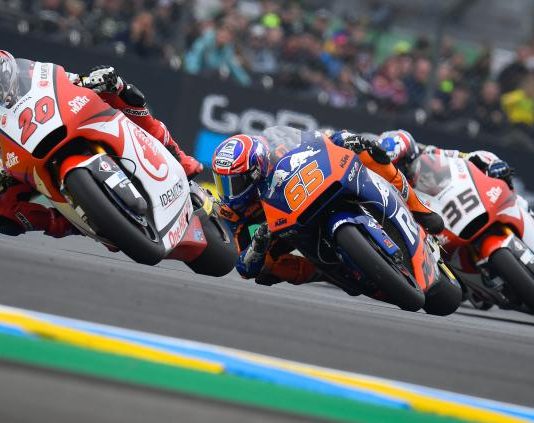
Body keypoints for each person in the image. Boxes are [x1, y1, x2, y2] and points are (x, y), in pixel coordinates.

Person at [0, 50, 202, 238]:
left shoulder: (31, 73)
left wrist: (92, 79)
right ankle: (69, 222)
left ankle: (179, 159)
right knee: (3, 213)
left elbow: (65, 82)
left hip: (64, 122)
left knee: (121, 91)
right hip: (21, 160)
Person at [211, 126, 444, 286]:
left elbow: (321, 138)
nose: (228, 191)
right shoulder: (232, 211)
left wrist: (346, 139)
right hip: (284, 228)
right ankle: (325, 273)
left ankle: (418, 207)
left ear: (256, 170)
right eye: (222, 182)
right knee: (267, 269)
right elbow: (243, 267)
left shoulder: (276, 148)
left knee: (367, 152)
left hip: (312, 187)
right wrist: (258, 246)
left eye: (235, 182)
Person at [378, 129, 515, 191]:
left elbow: (470, 156)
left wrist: (492, 163)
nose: (400, 169)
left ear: (412, 153)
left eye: (402, 163)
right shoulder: (386, 186)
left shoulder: (430, 154)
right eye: (395, 166)